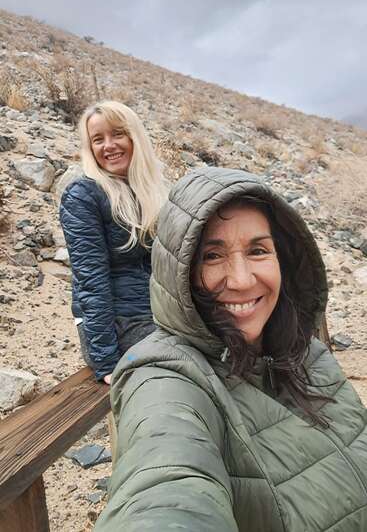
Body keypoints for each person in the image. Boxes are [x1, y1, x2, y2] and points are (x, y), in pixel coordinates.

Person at [95, 166, 367, 531]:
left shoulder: (308, 354)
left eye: (258, 250)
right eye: (212, 255)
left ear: (282, 259)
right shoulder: (164, 377)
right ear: (180, 272)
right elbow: (163, 484)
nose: (241, 279)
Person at [59, 100, 168, 384]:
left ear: (135, 137)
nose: (108, 145)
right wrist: (106, 359)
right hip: (115, 327)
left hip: (157, 315)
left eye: (117, 134)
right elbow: (90, 280)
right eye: (98, 139)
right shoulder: (83, 196)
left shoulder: (150, 192)